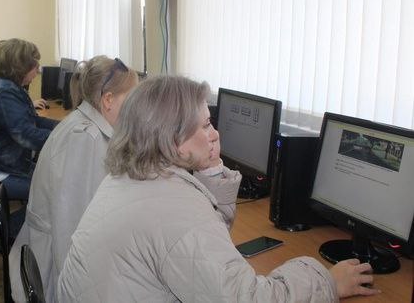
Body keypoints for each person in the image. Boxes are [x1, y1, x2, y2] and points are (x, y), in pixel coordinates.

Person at [57, 76, 380, 302]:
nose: (215, 134)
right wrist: (326, 281)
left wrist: (210, 169)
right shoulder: (174, 210)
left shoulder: (133, 176)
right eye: (205, 125)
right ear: (173, 140)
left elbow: (198, 253)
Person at [9, 56, 139, 302]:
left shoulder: (85, 124)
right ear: (108, 99)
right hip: (55, 271)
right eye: (132, 99)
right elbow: (70, 227)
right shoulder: (85, 139)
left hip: (48, 254)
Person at [0, 38, 59, 238]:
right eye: (34, 65)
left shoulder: (7, 86)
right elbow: (26, 135)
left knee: (52, 178)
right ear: (20, 66)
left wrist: (64, 127)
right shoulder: (4, 91)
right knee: (53, 191)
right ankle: (2, 231)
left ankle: (21, 231)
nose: (38, 70)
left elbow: (33, 121)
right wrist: (65, 137)